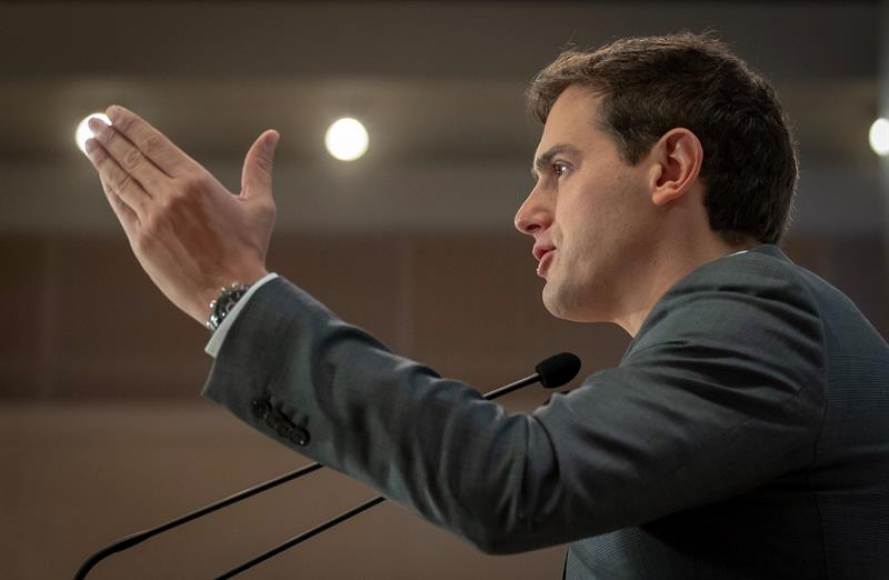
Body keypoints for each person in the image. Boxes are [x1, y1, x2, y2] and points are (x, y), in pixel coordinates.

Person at [83, 32, 889, 579]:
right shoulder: (736, 340)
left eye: (560, 168)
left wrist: (235, 294)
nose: (525, 211)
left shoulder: (759, 315)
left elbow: (513, 482)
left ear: (670, 165)